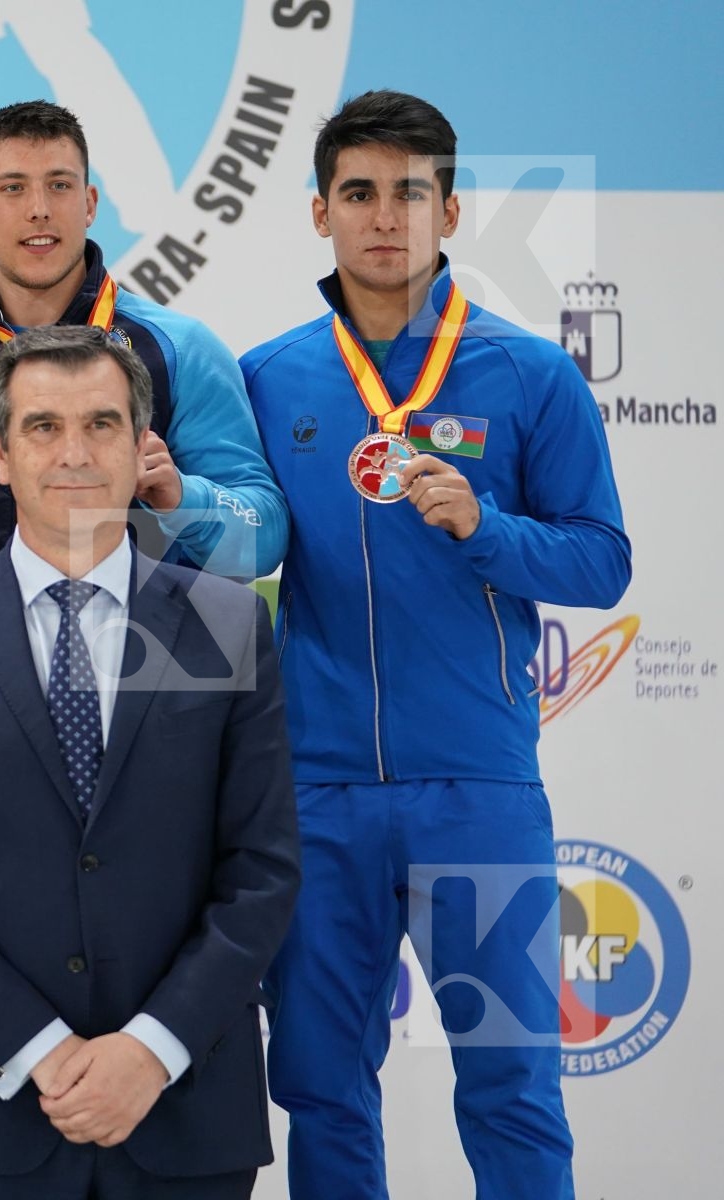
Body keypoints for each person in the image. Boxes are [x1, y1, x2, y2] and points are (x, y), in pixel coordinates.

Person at [241, 90, 631, 1199]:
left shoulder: (528, 373)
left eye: (410, 192)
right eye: (358, 192)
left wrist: (484, 527)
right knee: (320, 1084)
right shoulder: (270, 380)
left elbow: (601, 562)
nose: (384, 216)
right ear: (318, 212)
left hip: (480, 789)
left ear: (451, 210)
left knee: (510, 1083)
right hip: (315, 793)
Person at [0, 324, 301, 1199]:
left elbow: (263, 872)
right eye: (43, 428)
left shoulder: (229, 625)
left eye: (101, 424)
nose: (74, 453)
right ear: (0, 454)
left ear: (143, 449)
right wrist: (41, 1053)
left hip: (180, 1106)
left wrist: (150, 1050)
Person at [0, 100, 286, 582]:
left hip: (142, 654)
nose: (39, 210)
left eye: (59, 185)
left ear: (89, 204)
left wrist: (182, 496)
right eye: (13, 188)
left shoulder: (181, 350)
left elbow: (263, 540)